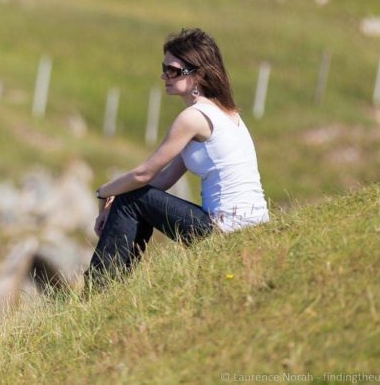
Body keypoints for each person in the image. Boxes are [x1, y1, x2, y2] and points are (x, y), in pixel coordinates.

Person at [86, 28, 269, 287]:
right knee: (132, 196)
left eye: (172, 70)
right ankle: (109, 285)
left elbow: (144, 174)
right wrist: (117, 198)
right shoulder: (225, 113)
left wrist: (104, 192)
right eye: (164, 68)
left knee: (131, 197)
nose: (164, 76)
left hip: (226, 230)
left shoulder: (193, 118)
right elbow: (163, 180)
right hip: (252, 226)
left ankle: (99, 288)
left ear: (198, 74)